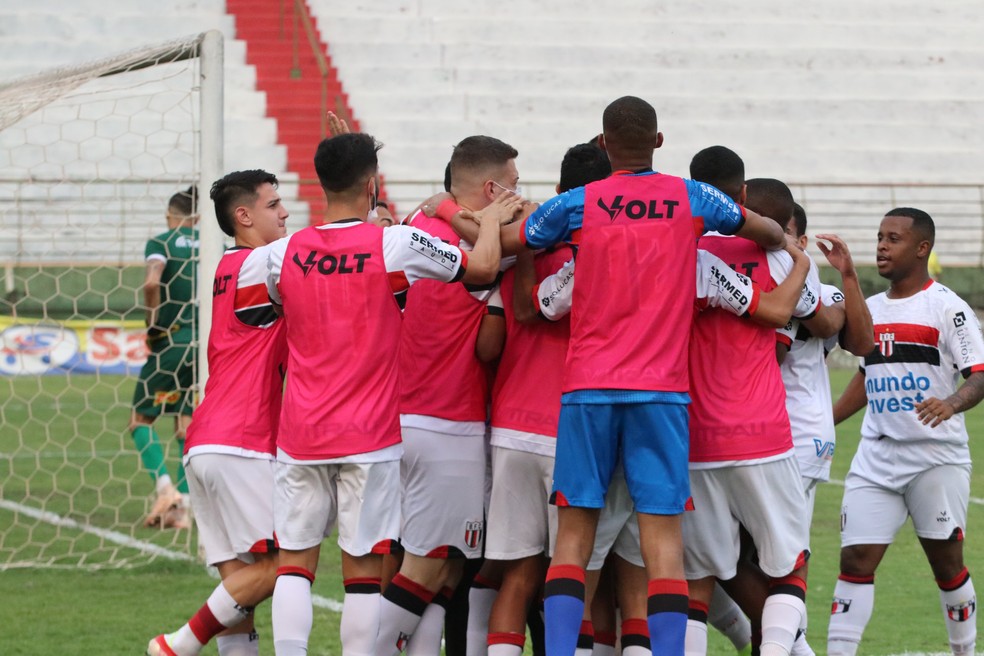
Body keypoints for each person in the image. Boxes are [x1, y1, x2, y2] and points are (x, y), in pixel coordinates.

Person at [488, 96, 788, 656]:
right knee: (663, 544)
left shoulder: (578, 203)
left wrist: (472, 218)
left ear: (603, 146)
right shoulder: (692, 196)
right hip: (662, 393)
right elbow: (765, 229)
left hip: (587, 390)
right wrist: (780, 238)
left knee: (573, 541)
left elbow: (509, 242)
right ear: (659, 142)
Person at [265, 132, 516, 656]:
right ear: (372, 183)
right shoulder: (396, 242)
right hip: (391, 429)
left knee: (297, 562)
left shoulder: (283, 252)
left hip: (303, 432)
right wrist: (486, 222)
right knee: (373, 568)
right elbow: (485, 268)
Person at [374, 134, 523, 656]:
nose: (520, 193)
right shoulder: (495, 252)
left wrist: (440, 204)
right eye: (514, 182)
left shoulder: (415, 228)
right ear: (492, 187)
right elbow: (488, 347)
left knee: (447, 566)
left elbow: (426, 207)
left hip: (395, 418)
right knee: (430, 561)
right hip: (449, 423)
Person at [827, 207, 984, 656]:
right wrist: (825, 422)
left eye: (893, 238)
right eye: (879, 237)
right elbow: (865, 375)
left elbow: (979, 374)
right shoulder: (871, 310)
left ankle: (964, 652)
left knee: (947, 565)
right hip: (876, 456)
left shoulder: (948, 308)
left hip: (936, 458)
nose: (881, 245)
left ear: (921, 248)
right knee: (855, 560)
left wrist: (951, 402)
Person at [146, 169, 289, 656]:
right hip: (241, 441)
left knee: (239, 588)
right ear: (243, 216)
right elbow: (330, 252)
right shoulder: (259, 264)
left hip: (207, 441)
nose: (285, 212)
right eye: (274, 205)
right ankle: (178, 645)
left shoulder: (230, 266)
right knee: (282, 566)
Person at [683, 178, 827, 656]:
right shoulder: (778, 256)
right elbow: (820, 317)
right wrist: (800, 259)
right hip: (763, 431)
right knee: (789, 565)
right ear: (739, 198)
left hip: (695, 438)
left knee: (697, 578)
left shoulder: (687, 248)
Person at [129, 185, 199, 529]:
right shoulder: (210, 244)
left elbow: (151, 283)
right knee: (186, 426)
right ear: (197, 218)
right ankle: (181, 510)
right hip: (203, 347)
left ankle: (164, 488)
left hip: (171, 342)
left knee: (140, 420)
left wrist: (152, 324)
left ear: (170, 216)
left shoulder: (161, 242)